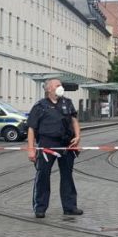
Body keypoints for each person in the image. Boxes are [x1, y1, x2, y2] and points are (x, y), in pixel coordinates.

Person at [27, 79, 83, 218]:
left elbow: (74, 121)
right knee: (43, 175)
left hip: (66, 143)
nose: (61, 87)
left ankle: (70, 207)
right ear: (49, 89)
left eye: (61, 85)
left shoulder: (67, 103)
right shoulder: (40, 106)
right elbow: (31, 128)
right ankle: (40, 208)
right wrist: (31, 149)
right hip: (47, 144)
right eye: (58, 85)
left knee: (67, 175)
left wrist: (77, 137)